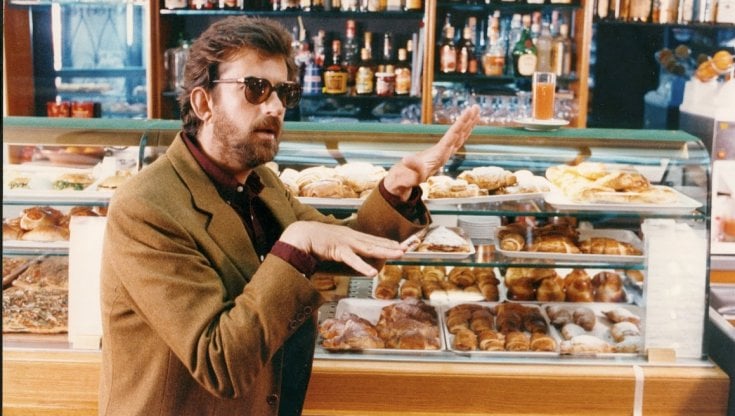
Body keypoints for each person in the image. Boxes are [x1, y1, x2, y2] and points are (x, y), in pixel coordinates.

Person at [98, 15, 480, 416]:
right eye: (255, 88)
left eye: (284, 92)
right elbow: (219, 361)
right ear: (203, 103)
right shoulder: (146, 207)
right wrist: (296, 243)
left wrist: (396, 189)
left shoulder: (260, 181)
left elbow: (345, 247)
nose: (276, 106)